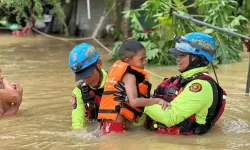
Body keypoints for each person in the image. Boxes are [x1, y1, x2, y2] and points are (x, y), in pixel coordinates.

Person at [144, 32, 227, 135]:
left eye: (182, 55)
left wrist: (138, 101)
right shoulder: (185, 79)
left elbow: (170, 117)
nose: (178, 58)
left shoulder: (201, 86)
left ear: (198, 58)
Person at [98, 39, 169, 134]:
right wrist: (157, 100)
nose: (144, 62)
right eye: (141, 59)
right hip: (116, 126)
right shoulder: (130, 76)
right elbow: (134, 101)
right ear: (127, 61)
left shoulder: (114, 71)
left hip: (107, 125)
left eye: (145, 58)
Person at [68, 43, 108, 130]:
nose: (86, 80)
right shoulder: (79, 92)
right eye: (82, 76)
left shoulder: (116, 82)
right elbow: (77, 126)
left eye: (88, 74)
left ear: (99, 64)